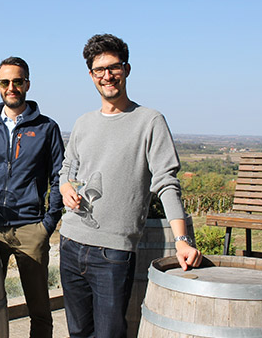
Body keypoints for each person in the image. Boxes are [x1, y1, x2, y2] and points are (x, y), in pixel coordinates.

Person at [58, 33, 202, 338]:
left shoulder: (150, 121)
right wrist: (64, 187)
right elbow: (67, 167)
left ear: (127, 69)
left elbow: (166, 182)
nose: (107, 76)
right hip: (70, 243)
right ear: (91, 75)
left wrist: (183, 240)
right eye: (100, 70)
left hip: (113, 252)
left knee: (110, 334)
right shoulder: (84, 122)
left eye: (114, 67)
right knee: (78, 333)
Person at [0, 56, 65, 338]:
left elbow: (59, 177)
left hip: (32, 228)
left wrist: (48, 223)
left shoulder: (47, 128)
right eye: (6, 82)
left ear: (27, 84)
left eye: (17, 81)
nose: (12, 87)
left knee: (39, 309)